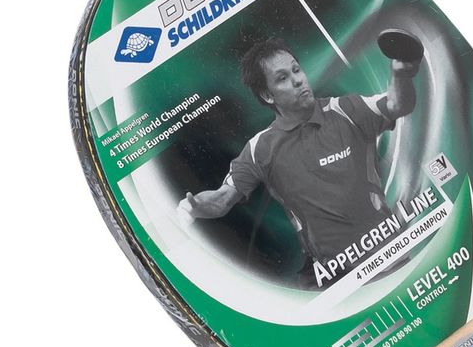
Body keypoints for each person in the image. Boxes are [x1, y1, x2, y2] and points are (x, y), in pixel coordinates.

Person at [179, 36, 422, 287]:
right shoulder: (259, 149)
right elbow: (222, 199)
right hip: (339, 281)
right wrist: (193, 206)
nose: (298, 80)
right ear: (267, 95)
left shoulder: (347, 110)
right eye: (282, 78)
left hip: (391, 260)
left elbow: (396, 104)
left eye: (296, 69)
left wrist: (401, 74)